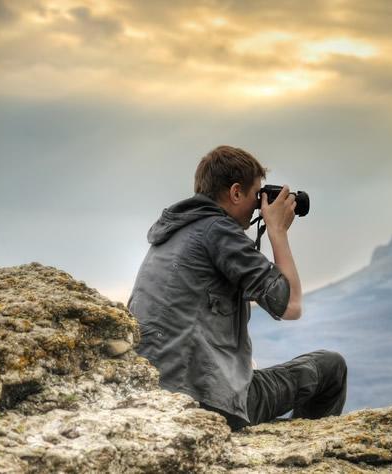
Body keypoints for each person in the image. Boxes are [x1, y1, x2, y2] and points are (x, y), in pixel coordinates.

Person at [127, 145, 347, 431]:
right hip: (205, 399)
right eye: (257, 194)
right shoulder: (217, 231)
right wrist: (277, 231)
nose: (260, 204)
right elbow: (291, 305)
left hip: (158, 390)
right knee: (331, 367)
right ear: (235, 193)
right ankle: (305, 450)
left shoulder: (173, 232)